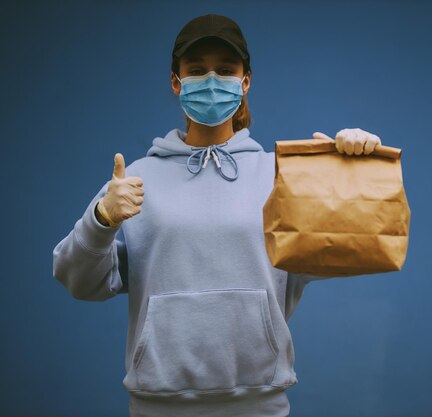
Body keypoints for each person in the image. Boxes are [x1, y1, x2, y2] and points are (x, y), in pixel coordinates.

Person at [52, 13, 384, 417]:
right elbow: (79, 281)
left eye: (225, 70)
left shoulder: (280, 174)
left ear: (245, 82)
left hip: (260, 403)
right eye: (197, 70)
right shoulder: (134, 180)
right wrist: (102, 218)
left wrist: (354, 168)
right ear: (176, 82)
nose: (211, 81)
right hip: (159, 404)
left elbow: (354, 247)